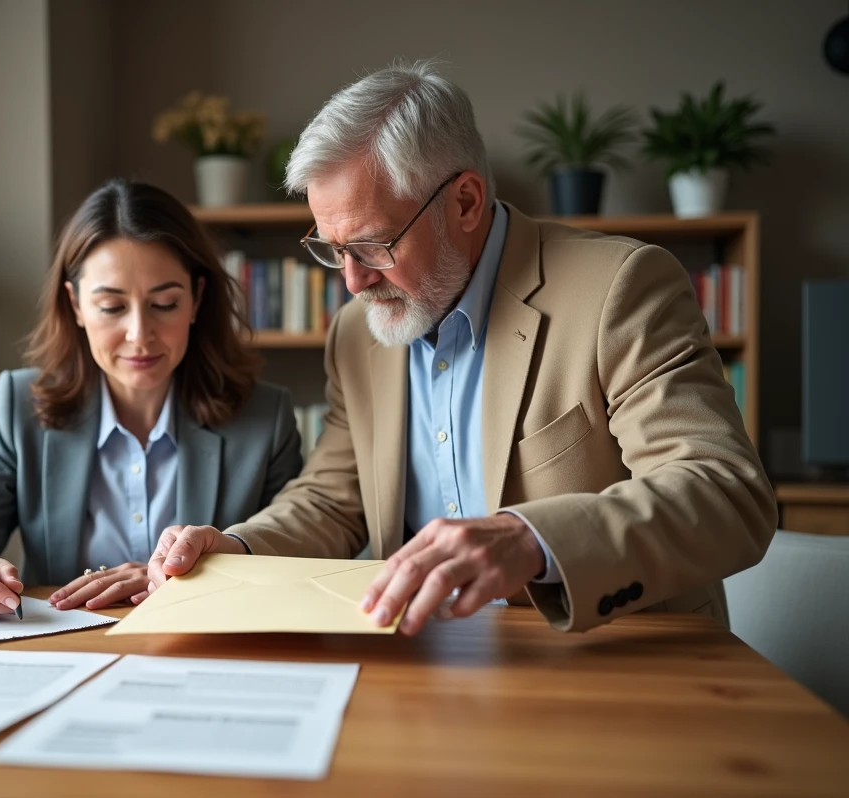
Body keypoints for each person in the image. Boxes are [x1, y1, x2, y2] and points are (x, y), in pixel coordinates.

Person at [147, 61, 776, 635]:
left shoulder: (620, 288)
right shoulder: (354, 334)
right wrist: (239, 548)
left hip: (615, 662)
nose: (352, 280)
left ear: (466, 201)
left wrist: (529, 539)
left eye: (372, 245)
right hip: (421, 669)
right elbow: (331, 501)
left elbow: (723, 491)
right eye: (333, 250)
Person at [0, 179, 303, 621]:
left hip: (203, 653)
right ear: (75, 306)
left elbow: (299, 557)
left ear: (197, 300)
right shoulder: (20, 405)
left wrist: (191, 575)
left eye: (164, 304)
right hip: (62, 652)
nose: (139, 335)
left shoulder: (266, 418)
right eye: (111, 307)